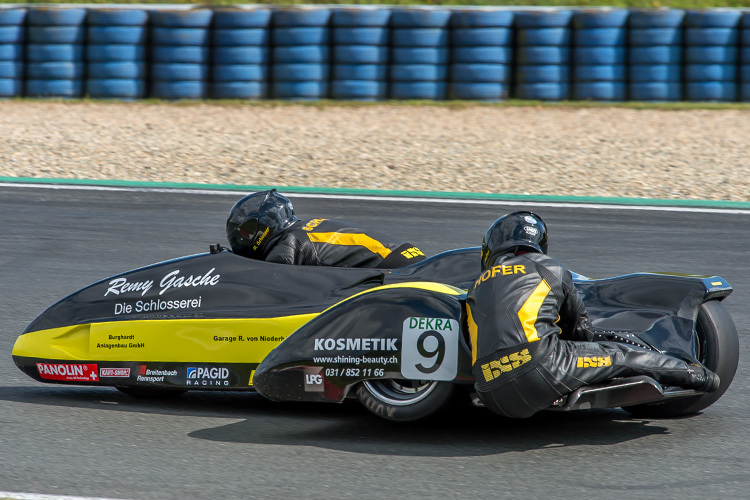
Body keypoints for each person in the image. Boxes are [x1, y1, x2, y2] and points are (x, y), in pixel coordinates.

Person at [466, 210, 720, 418]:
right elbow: (579, 328)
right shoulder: (550, 267)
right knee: (620, 355)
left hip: (490, 391)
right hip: (541, 370)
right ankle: (698, 376)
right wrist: (602, 342)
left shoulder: (476, 286)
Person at [225, 189, 427, 268]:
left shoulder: (286, 246)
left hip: (398, 269)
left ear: (261, 229)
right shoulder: (305, 228)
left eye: (244, 234)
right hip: (408, 254)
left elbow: (270, 290)